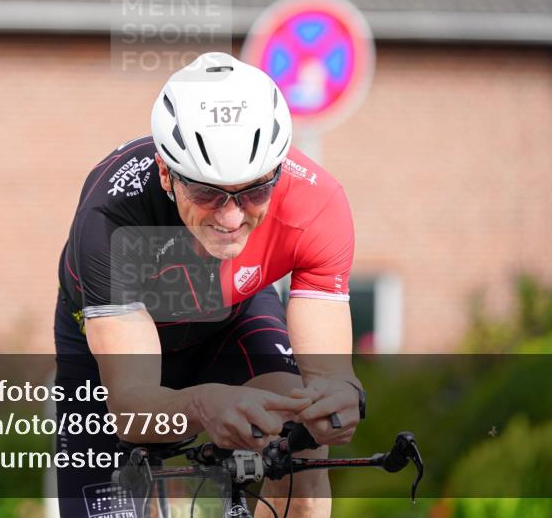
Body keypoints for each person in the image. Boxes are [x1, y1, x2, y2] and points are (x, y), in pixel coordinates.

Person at [54, 53, 365, 518]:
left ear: (277, 171)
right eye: (207, 192)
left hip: (230, 314)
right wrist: (202, 403)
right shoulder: (110, 221)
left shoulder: (317, 206)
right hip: (116, 348)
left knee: (303, 446)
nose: (232, 217)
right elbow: (131, 408)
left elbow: (328, 379)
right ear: (166, 173)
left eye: (254, 190)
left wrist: (341, 396)